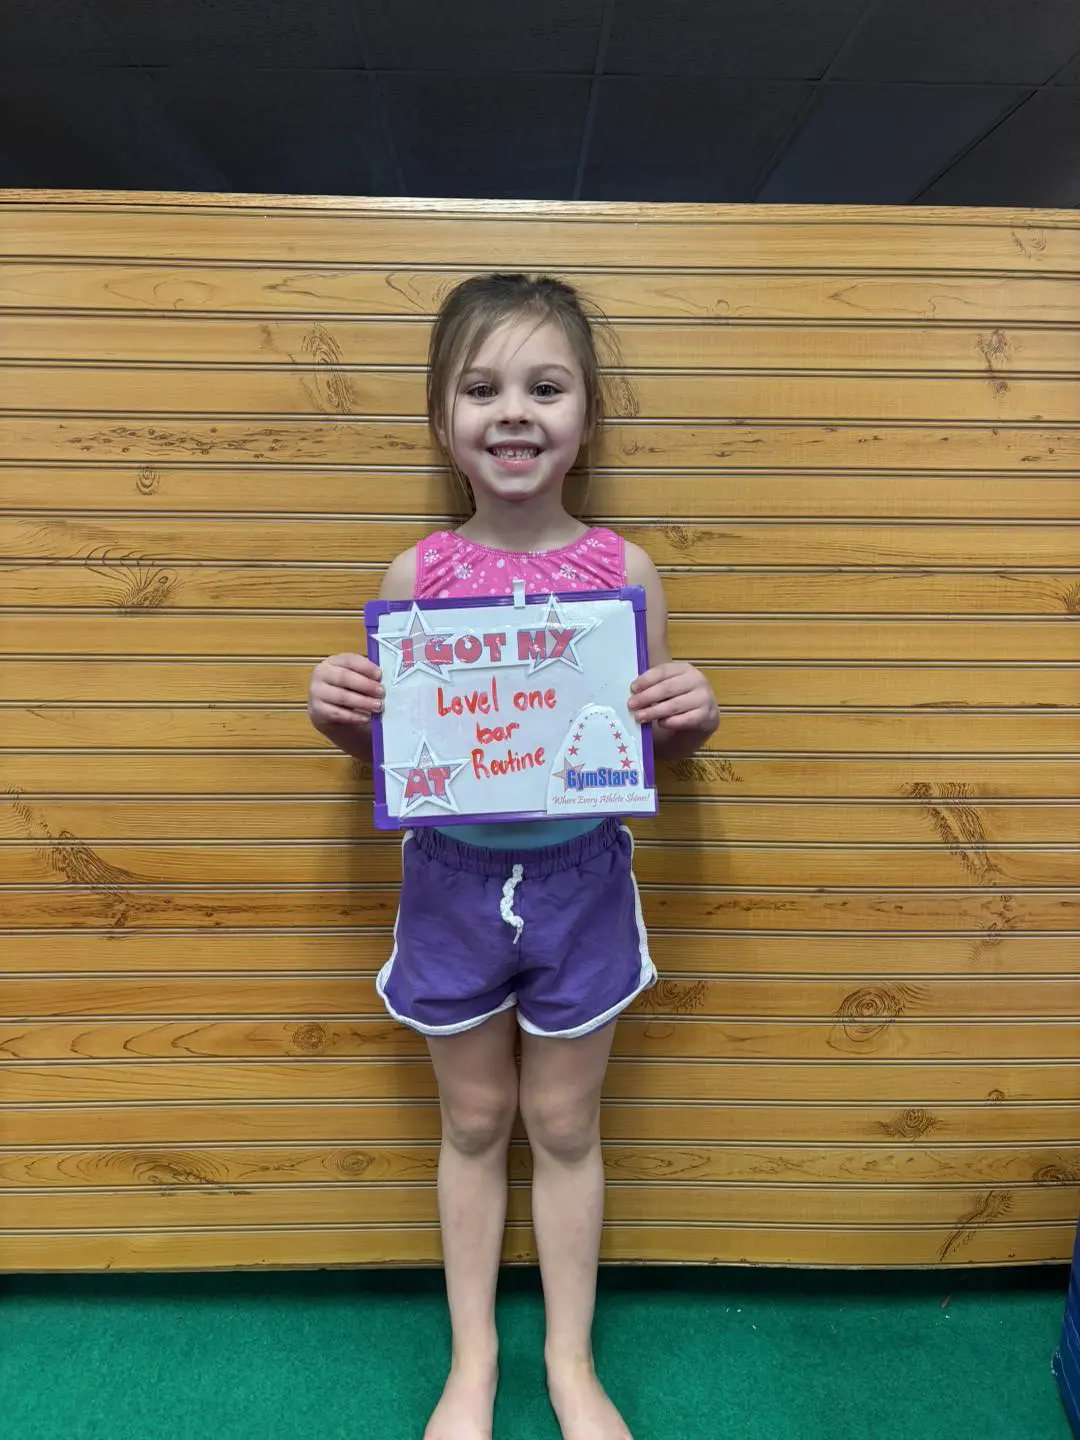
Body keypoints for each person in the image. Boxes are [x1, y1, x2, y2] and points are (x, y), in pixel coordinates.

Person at [308, 274, 719, 1440]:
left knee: (570, 1128)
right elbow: (393, 757)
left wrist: (692, 713)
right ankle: (472, 1364)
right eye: (481, 389)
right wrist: (343, 717)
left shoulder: (627, 574)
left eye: (546, 386)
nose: (514, 413)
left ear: (588, 416)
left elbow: (647, 752)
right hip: (447, 883)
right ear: (443, 419)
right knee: (476, 1124)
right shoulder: (415, 578)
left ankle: (572, 1364)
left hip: (582, 883)